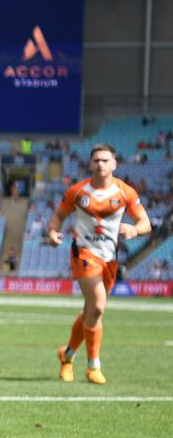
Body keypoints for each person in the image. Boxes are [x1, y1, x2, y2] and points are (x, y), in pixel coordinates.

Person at [47, 144, 151, 384]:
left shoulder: (125, 192)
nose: (101, 164)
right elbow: (58, 217)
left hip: (109, 258)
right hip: (84, 253)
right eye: (96, 160)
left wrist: (135, 230)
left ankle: (68, 354)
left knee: (90, 311)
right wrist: (53, 233)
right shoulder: (77, 191)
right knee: (98, 306)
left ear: (114, 164)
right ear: (90, 164)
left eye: (106, 160)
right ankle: (93, 366)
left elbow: (145, 222)